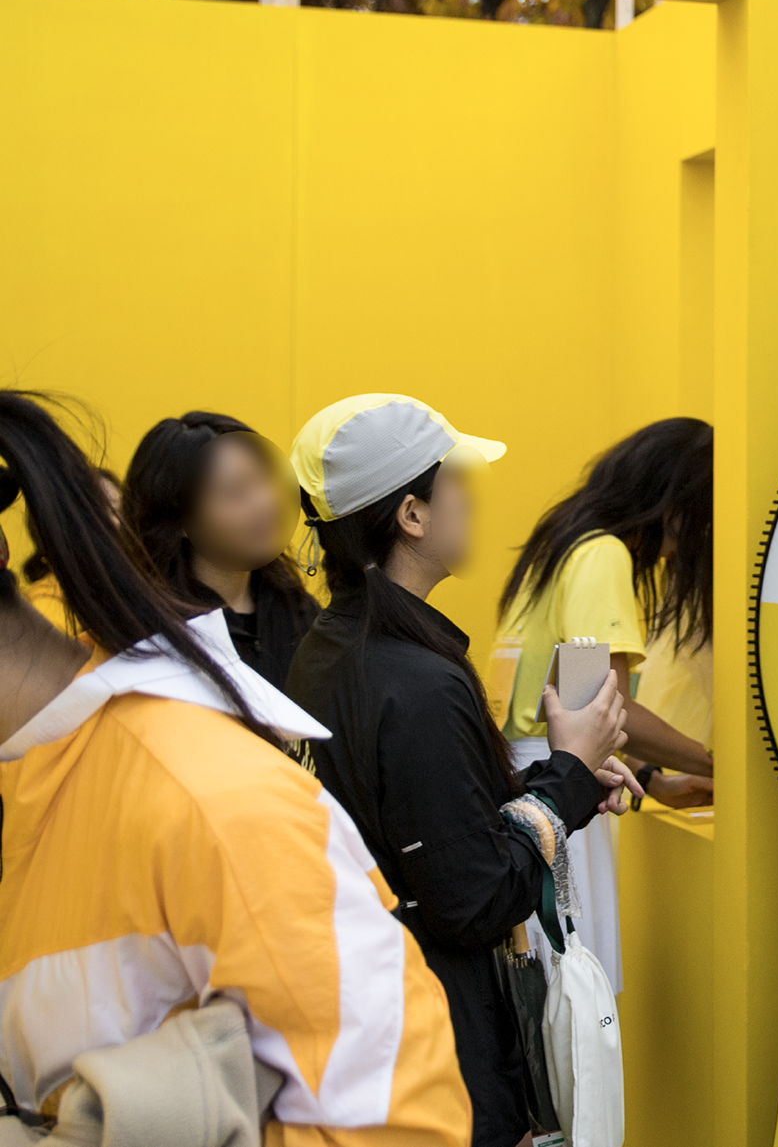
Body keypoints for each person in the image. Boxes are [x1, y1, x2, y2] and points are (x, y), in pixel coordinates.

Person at [0, 390, 469, 1143]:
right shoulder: (46, 774)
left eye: (261, 482)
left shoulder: (210, 793)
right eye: (233, 490)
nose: (261, 505)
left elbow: (399, 1118)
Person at [282, 393, 638, 1147]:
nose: (468, 498)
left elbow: (422, 826)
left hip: (368, 1028)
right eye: (455, 480)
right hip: (439, 1049)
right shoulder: (417, 682)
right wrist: (568, 770)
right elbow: (473, 898)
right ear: (412, 515)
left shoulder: (326, 651)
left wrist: (565, 783)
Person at [489, 418, 717, 991]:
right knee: (579, 995)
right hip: (558, 787)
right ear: (675, 506)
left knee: (554, 990)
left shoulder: (563, 545)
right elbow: (602, 707)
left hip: (532, 778)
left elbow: (573, 696)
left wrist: (652, 779)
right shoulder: (602, 555)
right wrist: (718, 763)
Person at [123, 411, 318, 690]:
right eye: (236, 492)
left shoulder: (297, 609)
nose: (265, 501)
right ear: (180, 520)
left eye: (265, 479)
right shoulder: (156, 635)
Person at [18, 464, 121, 630]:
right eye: (99, 515)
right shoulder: (45, 608)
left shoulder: (143, 578)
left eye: (117, 510)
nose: (116, 522)